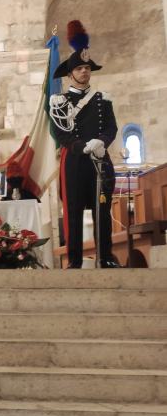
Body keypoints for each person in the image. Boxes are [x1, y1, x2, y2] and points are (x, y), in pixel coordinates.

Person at [49, 20, 119, 268]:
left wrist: (102, 142)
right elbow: (61, 134)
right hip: (76, 162)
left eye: (87, 68)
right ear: (70, 74)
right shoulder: (59, 101)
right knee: (74, 212)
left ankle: (106, 257)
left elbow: (112, 127)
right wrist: (82, 146)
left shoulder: (103, 100)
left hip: (100, 160)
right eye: (79, 69)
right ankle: (75, 262)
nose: (84, 72)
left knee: (103, 211)